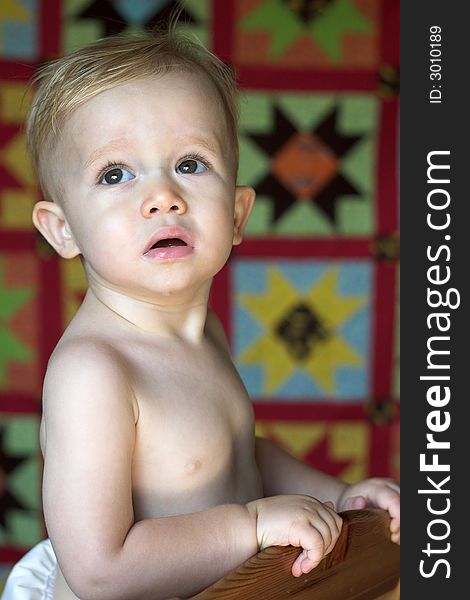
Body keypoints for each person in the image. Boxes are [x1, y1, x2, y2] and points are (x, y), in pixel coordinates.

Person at [3, 27, 400, 600]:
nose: (163, 195)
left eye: (190, 163)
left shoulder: (199, 332)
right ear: (62, 229)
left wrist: (341, 497)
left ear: (237, 214)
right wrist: (251, 526)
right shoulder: (95, 372)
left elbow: (236, 453)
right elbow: (101, 572)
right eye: (115, 174)